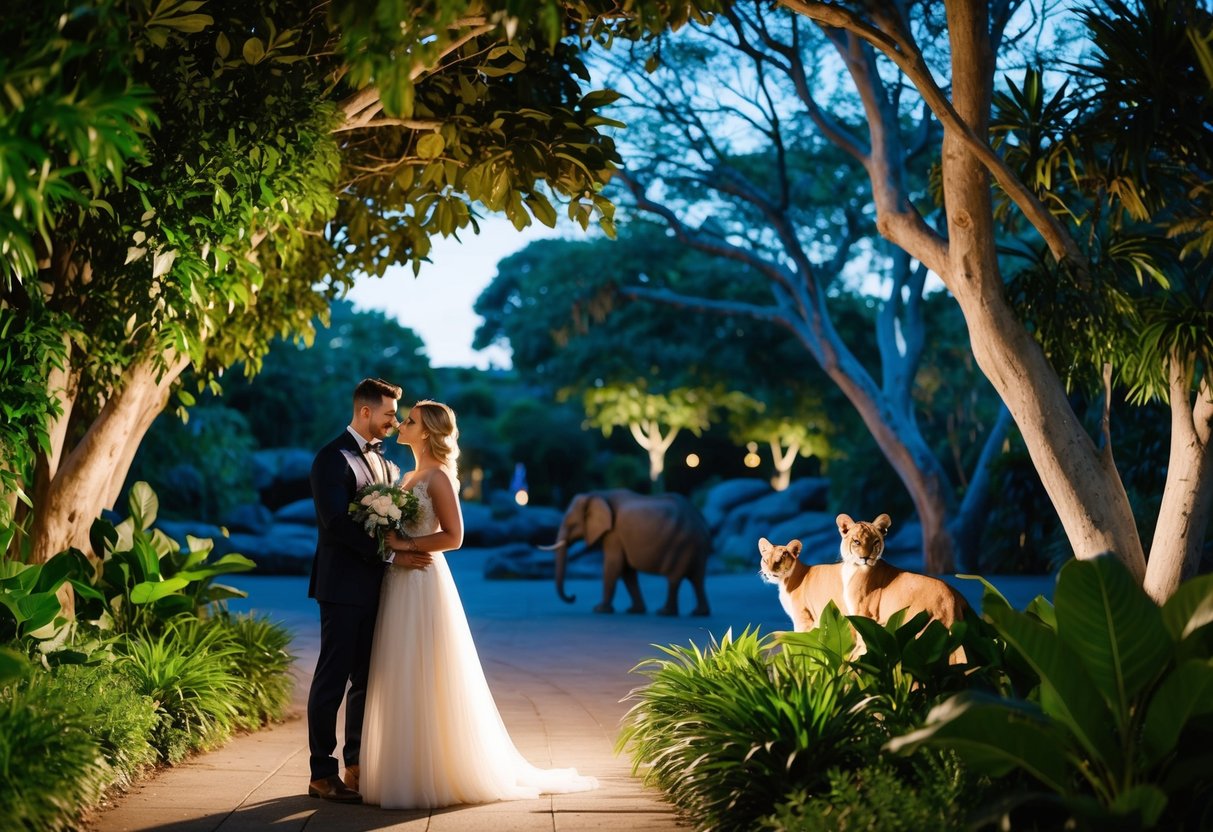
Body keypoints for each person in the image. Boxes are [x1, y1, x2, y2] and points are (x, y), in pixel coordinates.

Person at [360, 400, 598, 809]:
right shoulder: (407, 477)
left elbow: (454, 537)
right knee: (398, 668)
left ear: (427, 432)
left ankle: (434, 772)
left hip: (423, 580)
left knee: (425, 670)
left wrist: (406, 544)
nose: (401, 424)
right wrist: (390, 545)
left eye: (410, 420)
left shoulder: (437, 477)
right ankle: (402, 770)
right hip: (398, 579)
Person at [305, 377, 431, 803]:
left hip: (379, 587)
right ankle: (321, 773)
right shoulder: (331, 458)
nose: (394, 422)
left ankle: (355, 766)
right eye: (389, 414)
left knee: (365, 679)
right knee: (332, 679)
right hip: (341, 587)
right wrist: (393, 553)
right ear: (365, 411)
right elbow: (336, 525)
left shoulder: (388, 464)